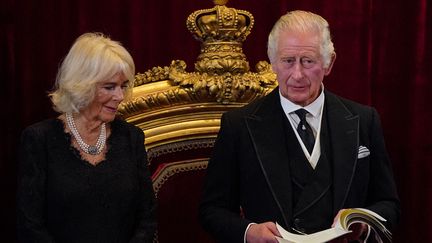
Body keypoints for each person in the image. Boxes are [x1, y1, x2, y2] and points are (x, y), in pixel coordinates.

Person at [199, 10, 400, 243]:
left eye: (308, 61)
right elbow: (211, 211)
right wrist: (249, 232)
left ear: (329, 63)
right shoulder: (238, 126)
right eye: (288, 61)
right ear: (272, 62)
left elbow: (389, 204)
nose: (297, 74)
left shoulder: (364, 120)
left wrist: (364, 225)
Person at [16, 32, 157, 242]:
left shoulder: (131, 137)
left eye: (123, 86)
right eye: (109, 87)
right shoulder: (39, 140)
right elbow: (30, 226)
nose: (120, 96)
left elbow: (146, 218)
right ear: (81, 85)